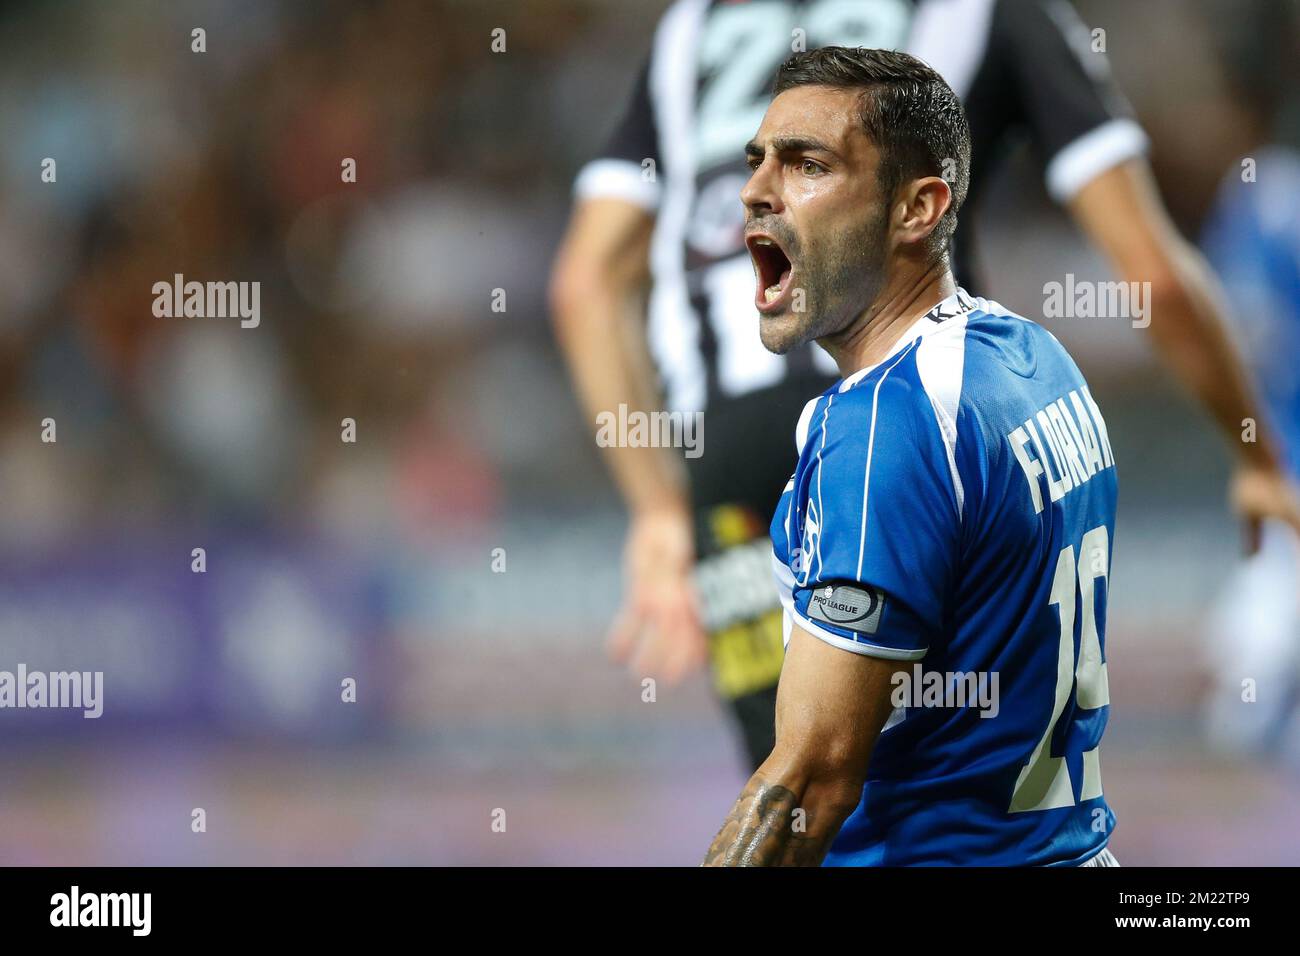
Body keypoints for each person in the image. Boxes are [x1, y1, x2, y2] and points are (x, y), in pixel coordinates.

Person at [550, 0, 1300, 772]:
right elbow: (1155, 279)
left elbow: (585, 283)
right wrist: (1257, 455)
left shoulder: (691, 30)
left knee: (802, 798)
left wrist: (659, 510)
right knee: (960, 801)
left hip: (732, 452)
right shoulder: (992, 12)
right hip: (918, 430)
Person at [704, 46, 1117, 866]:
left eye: (807, 165)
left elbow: (814, 778)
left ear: (918, 208)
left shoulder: (884, 427)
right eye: (757, 162)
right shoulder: (1035, 360)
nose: (755, 190)